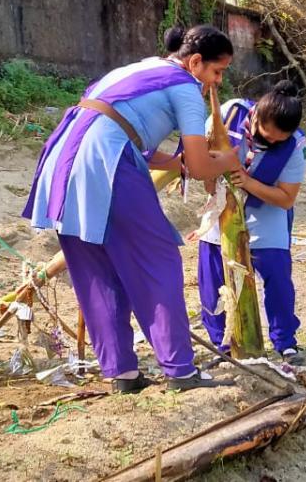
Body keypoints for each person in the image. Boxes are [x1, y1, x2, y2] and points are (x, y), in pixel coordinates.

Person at [23, 25, 242, 394]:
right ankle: (180, 371)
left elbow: (124, 131)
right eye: (217, 72)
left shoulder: (140, 68)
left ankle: (122, 374)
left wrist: (177, 163)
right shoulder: (186, 86)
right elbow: (201, 166)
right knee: (157, 260)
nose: (217, 82)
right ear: (195, 62)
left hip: (63, 160)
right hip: (105, 163)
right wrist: (229, 160)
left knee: (95, 268)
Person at [196, 80, 306, 364]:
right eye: (265, 135)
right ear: (256, 115)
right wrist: (212, 176)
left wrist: (247, 182)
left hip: (267, 210)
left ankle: (285, 342)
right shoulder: (229, 113)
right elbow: (202, 156)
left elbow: (286, 198)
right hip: (222, 206)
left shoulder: (295, 145)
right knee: (213, 277)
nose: (269, 143)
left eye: (277, 141)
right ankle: (222, 343)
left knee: (277, 277)